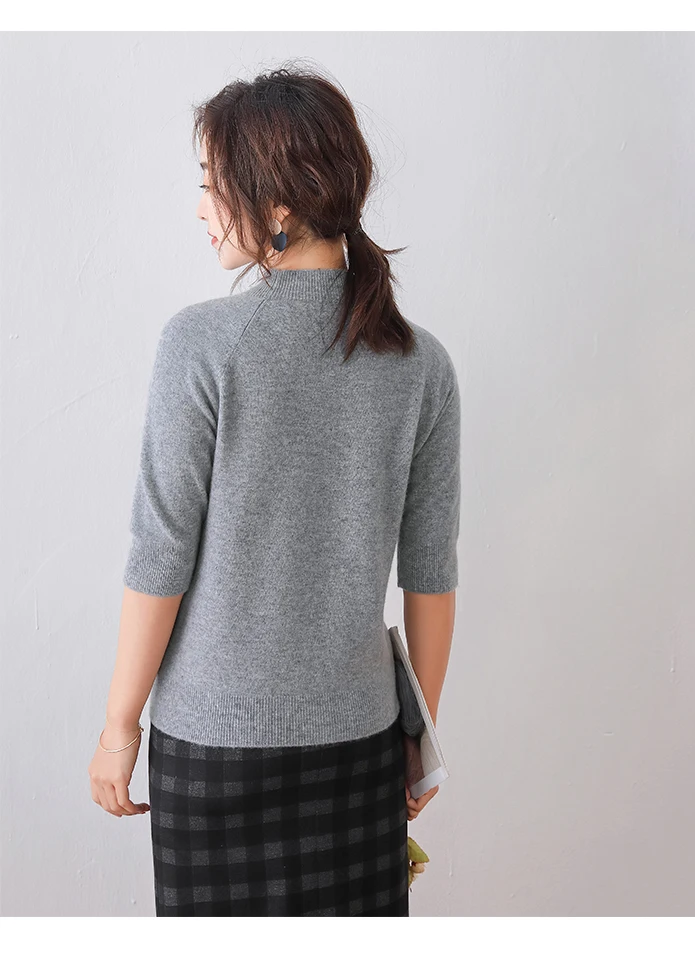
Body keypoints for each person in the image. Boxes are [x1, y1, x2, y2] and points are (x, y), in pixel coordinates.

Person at [87, 62, 461, 917]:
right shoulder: (422, 364)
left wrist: (118, 729)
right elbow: (432, 576)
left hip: (211, 752)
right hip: (361, 744)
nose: (201, 207)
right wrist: (420, 740)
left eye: (212, 183)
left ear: (280, 203)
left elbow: (159, 557)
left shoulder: (201, 345)